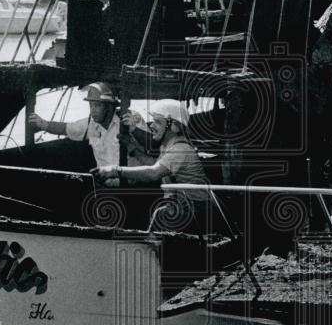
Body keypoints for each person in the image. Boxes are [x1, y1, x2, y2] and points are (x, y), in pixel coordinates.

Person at [92, 99, 209, 232]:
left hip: (195, 209)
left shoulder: (180, 149)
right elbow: (155, 164)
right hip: (182, 206)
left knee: (160, 217)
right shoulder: (169, 146)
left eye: (158, 122)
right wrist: (133, 148)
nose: (152, 125)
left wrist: (115, 170)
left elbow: (154, 172)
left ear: (174, 127)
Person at [27, 82, 151, 169]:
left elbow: (151, 144)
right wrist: (43, 124)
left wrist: (134, 131)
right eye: (91, 105)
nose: (93, 111)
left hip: (131, 186)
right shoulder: (89, 125)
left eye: (97, 106)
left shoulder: (129, 119)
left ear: (109, 106)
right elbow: (66, 128)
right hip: (105, 187)